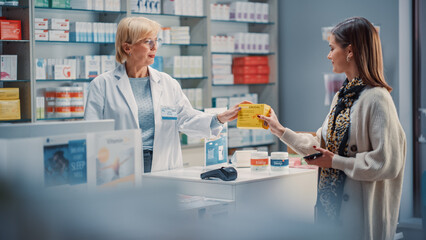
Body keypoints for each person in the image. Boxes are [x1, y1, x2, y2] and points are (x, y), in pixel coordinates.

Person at [258, 17, 406, 240]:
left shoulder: (376, 99)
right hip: (330, 213)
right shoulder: (342, 96)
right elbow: (320, 144)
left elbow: (386, 163)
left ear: (350, 50)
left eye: (332, 48)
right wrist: (280, 130)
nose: (328, 55)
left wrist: (336, 162)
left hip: (359, 220)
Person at [85, 17, 246, 173]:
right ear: (128, 48)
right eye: (148, 41)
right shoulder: (102, 85)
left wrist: (220, 118)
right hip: (119, 165)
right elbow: (91, 133)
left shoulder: (167, 83)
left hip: (163, 163)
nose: (155, 47)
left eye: (156, 40)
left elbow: (187, 118)